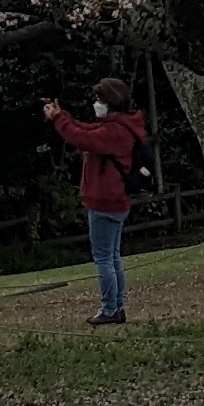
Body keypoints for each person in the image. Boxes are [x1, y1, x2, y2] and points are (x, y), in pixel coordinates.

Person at [44, 78, 151, 325]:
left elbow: (83, 138)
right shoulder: (122, 125)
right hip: (115, 200)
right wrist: (63, 116)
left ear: (111, 101)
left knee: (103, 258)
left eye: (100, 100)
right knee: (112, 257)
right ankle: (117, 306)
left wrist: (58, 120)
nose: (96, 104)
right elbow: (85, 130)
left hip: (105, 201)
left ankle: (110, 308)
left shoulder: (114, 131)